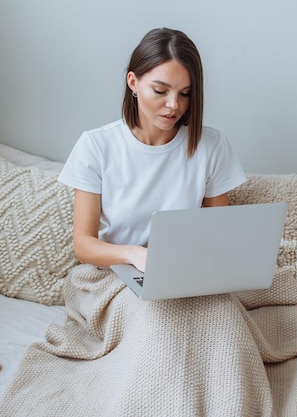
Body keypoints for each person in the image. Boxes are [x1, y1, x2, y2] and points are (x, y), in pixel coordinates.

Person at [58, 27, 247, 272]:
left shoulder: (210, 146)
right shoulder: (96, 145)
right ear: (133, 83)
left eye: (186, 94)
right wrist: (134, 255)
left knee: (223, 311)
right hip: (116, 273)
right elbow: (83, 245)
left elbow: (217, 233)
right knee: (159, 312)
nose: (174, 105)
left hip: (183, 272)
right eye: (160, 91)